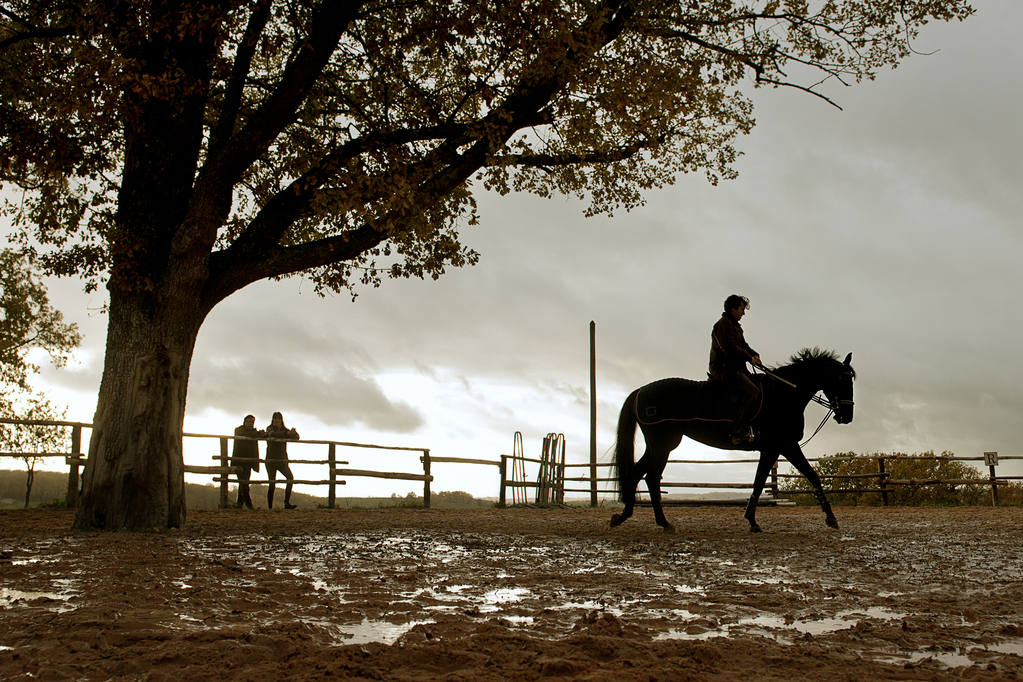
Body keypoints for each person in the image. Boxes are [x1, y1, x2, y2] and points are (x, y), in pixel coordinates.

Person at [709, 294, 762, 445]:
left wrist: (755, 355)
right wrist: (749, 357)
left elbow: (743, 346)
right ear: (733, 309)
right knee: (753, 391)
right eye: (741, 309)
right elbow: (729, 348)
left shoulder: (735, 326)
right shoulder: (723, 324)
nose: (743, 313)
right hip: (723, 369)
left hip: (734, 368)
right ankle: (738, 432)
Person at [265, 411, 299, 509]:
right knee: (272, 483)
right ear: (273, 420)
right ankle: (270, 507)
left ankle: (287, 503)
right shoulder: (270, 428)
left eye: (278, 419)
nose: (277, 420)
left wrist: (292, 433)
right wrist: (287, 433)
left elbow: (297, 437)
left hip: (281, 460)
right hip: (271, 460)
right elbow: (272, 434)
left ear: (281, 420)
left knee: (290, 478)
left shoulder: (284, 430)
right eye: (275, 418)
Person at [231, 414, 264, 509]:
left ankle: (239, 504)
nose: (251, 424)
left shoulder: (253, 432)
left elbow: (255, 435)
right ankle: (249, 505)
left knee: (244, 482)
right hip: (239, 460)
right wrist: (258, 434)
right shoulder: (239, 430)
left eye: (252, 422)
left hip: (249, 462)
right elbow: (246, 434)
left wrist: (261, 434)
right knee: (244, 482)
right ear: (245, 422)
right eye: (249, 422)